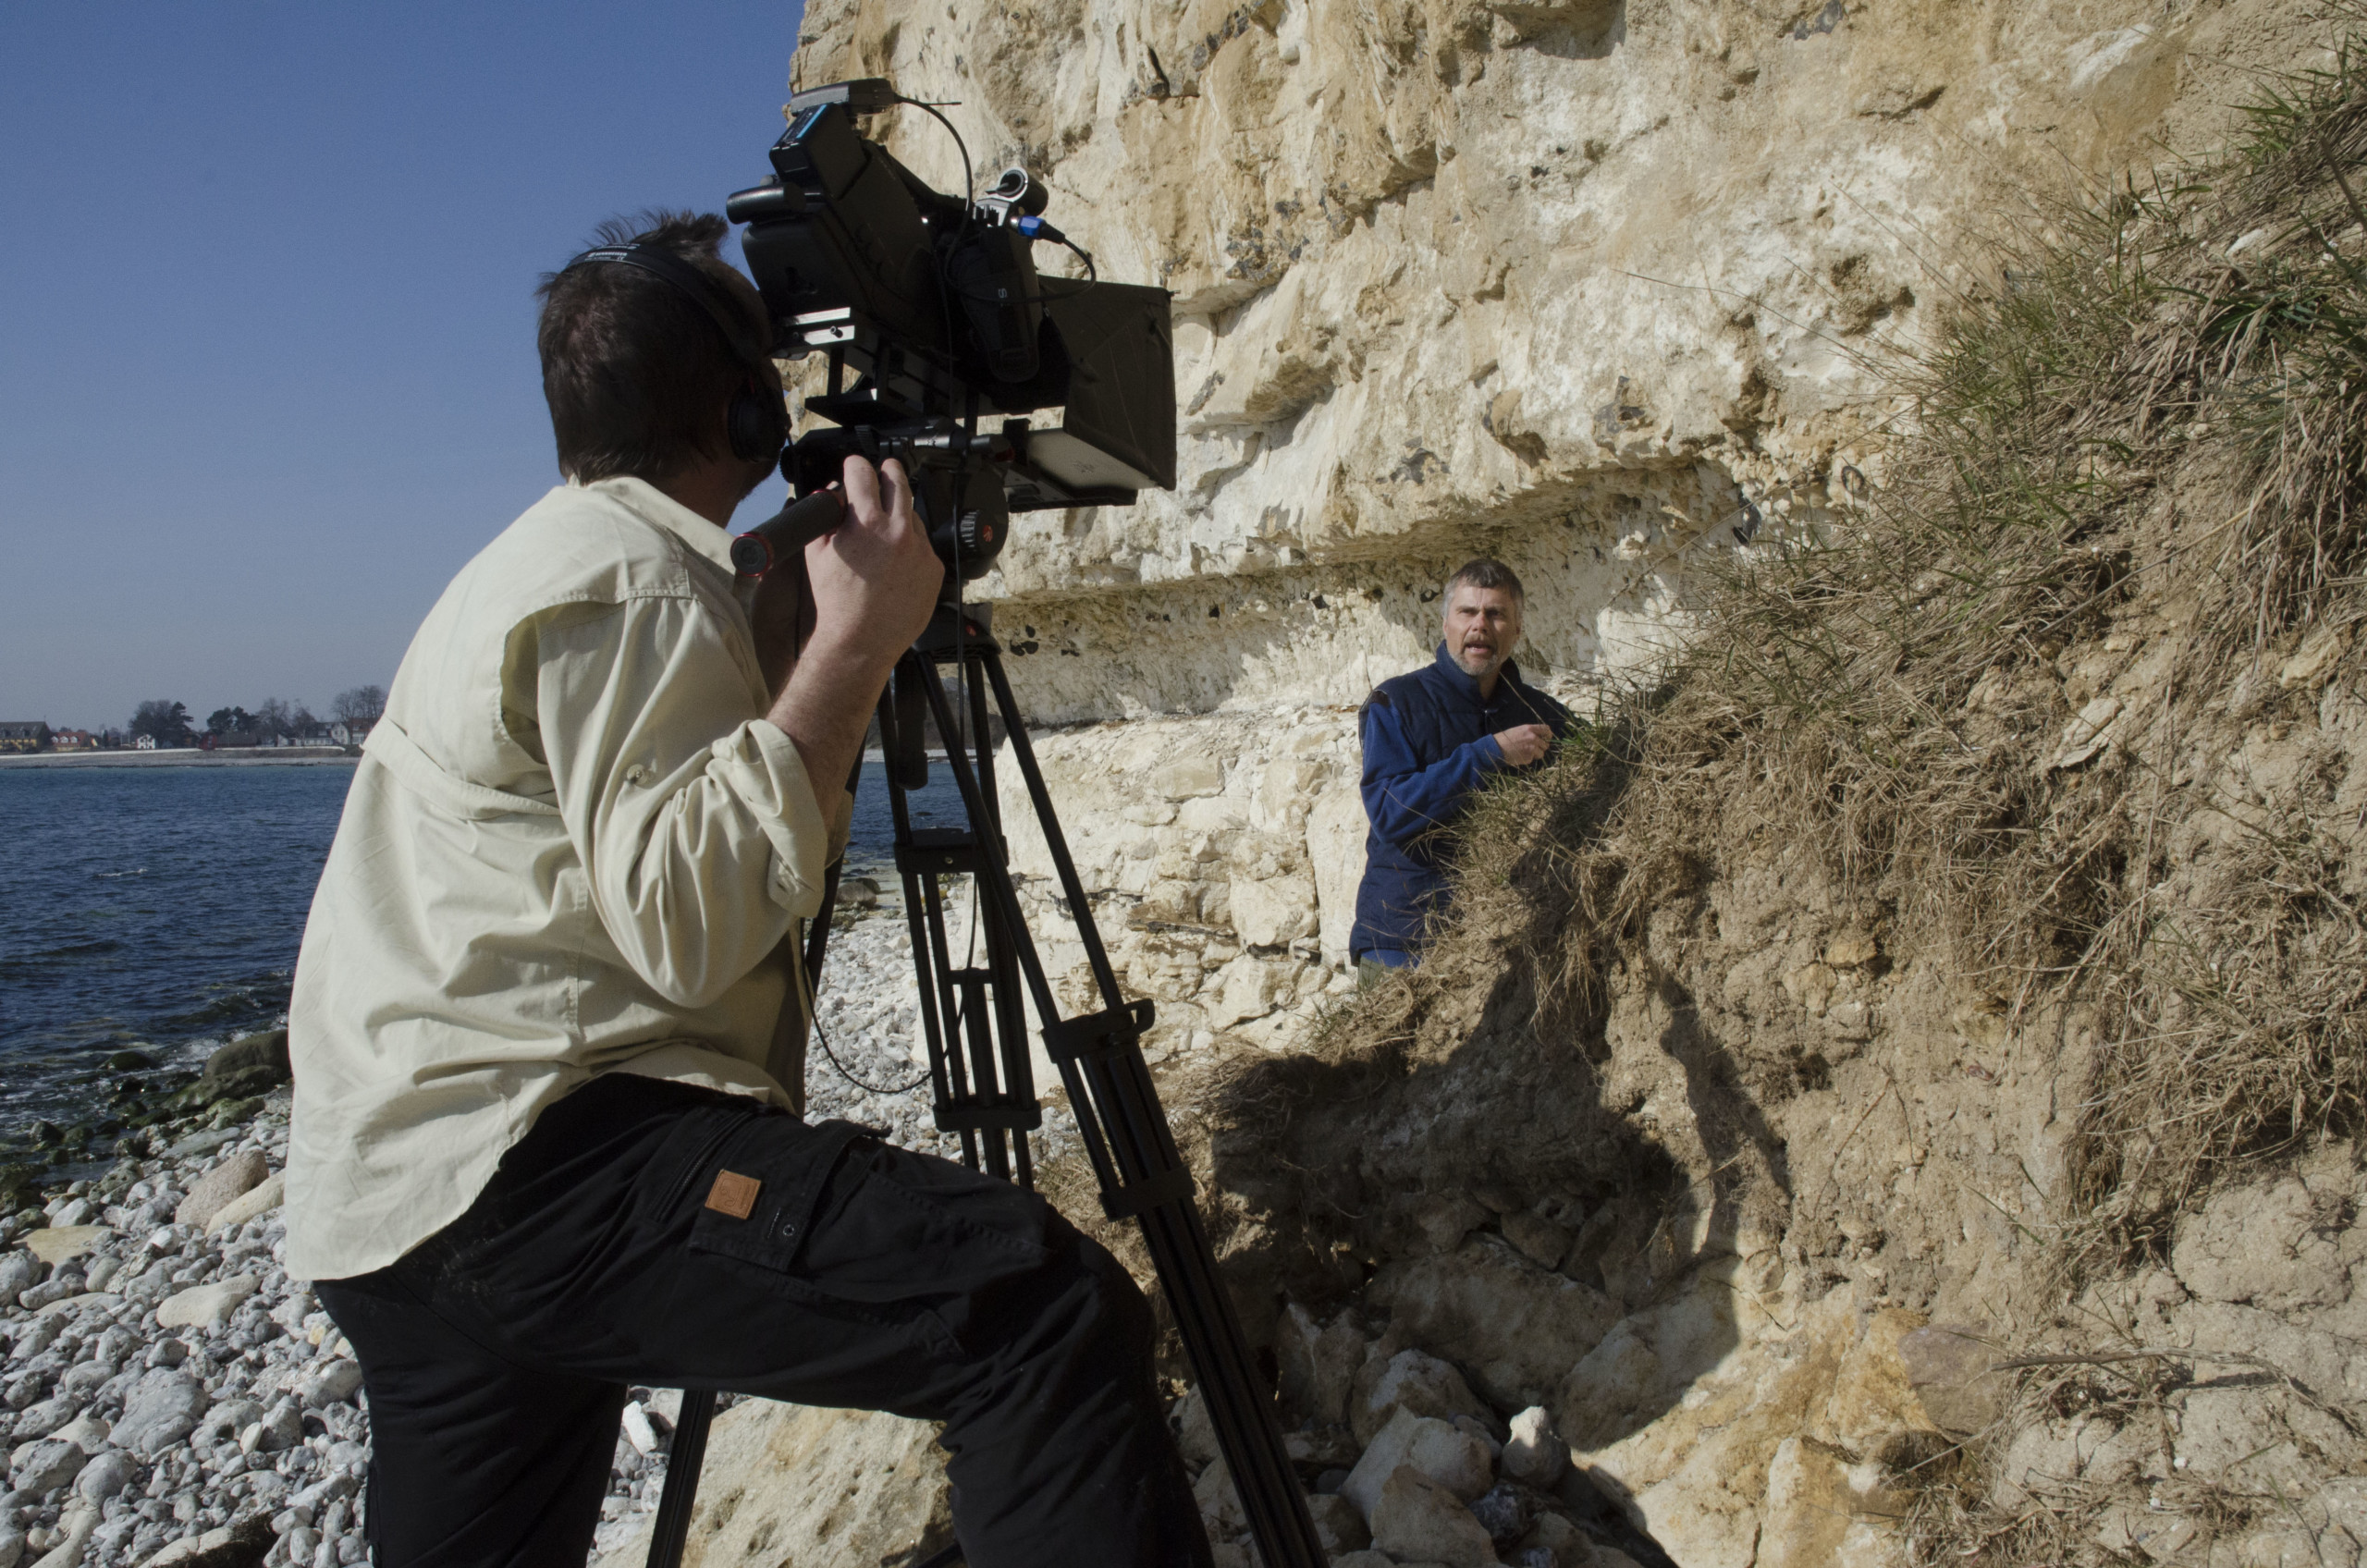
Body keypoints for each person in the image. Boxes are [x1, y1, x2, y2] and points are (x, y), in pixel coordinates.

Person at [283, 212, 1208, 1568]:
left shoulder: (555, 556)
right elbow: (692, 928)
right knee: (1039, 1316)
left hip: (392, 1193)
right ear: (741, 404)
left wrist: (785, 641)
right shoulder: (637, 578)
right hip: (535, 1166)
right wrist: (852, 646)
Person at [1351, 558, 1576, 978]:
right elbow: (1390, 812)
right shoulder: (1396, 702)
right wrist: (1490, 754)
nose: (1481, 625)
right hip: (1403, 946)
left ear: (1518, 629)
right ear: (1445, 625)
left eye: (1496, 613)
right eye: (1468, 612)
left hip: (1505, 941)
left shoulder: (1543, 715)